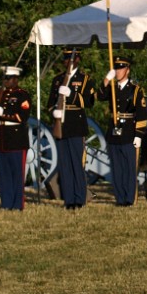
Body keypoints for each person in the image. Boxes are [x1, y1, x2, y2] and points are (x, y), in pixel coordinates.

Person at [48, 48, 97, 210]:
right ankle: (69, 199)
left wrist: (71, 95)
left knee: (77, 163)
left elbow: (90, 101)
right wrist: (54, 111)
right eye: (66, 58)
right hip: (60, 125)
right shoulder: (57, 80)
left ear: (77, 60)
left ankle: (79, 198)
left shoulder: (83, 79)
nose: (67, 61)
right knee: (65, 164)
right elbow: (49, 104)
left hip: (76, 125)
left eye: (70, 58)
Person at [98, 53, 147, 206]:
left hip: (128, 132)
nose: (118, 71)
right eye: (116, 68)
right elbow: (99, 96)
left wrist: (138, 134)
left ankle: (129, 198)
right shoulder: (112, 89)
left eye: (121, 68)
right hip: (114, 132)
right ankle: (120, 198)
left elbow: (141, 114)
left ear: (128, 70)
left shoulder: (135, 90)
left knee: (129, 168)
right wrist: (107, 79)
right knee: (117, 168)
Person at [0, 66, 32, 211]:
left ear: (15, 79)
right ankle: (6, 203)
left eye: (8, 79)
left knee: (17, 174)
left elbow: (22, 117)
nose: (5, 81)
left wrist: (3, 113)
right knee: (5, 174)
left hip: (16, 139)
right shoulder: (1, 94)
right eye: (4, 78)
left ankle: (17, 204)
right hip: (3, 138)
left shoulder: (22, 95)